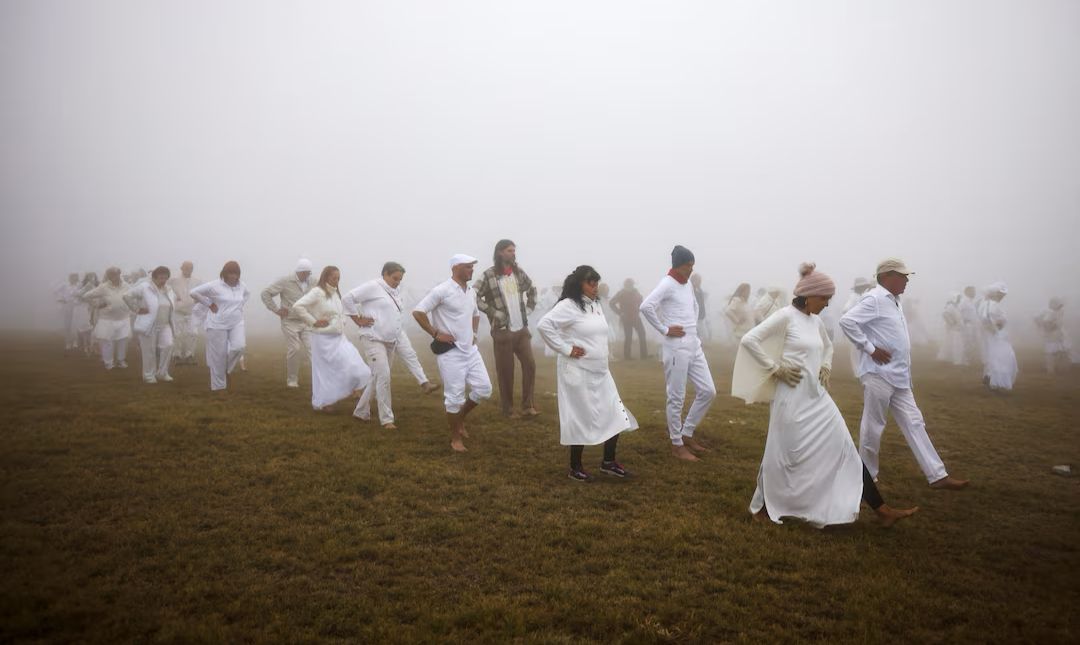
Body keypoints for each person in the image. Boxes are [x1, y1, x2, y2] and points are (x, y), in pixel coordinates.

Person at [734, 263, 918, 528]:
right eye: (825, 299)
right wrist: (776, 369)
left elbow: (828, 346)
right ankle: (762, 508)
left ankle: (883, 511)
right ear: (809, 296)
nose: (828, 304)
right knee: (782, 453)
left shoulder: (815, 320)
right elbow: (749, 340)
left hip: (817, 398)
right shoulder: (785, 316)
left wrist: (826, 366)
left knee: (845, 449)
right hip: (791, 399)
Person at [839, 258, 969, 490]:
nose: (907, 280)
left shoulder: (894, 301)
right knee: (874, 425)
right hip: (878, 374)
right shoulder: (875, 298)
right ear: (887, 277)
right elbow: (847, 321)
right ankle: (867, 476)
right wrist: (870, 349)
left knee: (915, 422)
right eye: (902, 276)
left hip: (899, 376)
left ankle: (937, 475)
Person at [538, 265, 638, 482]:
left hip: (600, 371)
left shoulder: (595, 305)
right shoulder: (568, 305)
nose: (595, 287)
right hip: (577, 371)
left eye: (596, 283)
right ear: (578, 284)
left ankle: (608, 462)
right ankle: (575, 467)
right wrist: (566, 349)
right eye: (590, 283)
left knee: (615, 412)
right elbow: (544, 325)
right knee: (579, 416)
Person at [640, 245, 716, 462]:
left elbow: (694, 306)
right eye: (687, 266)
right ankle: (676, 444)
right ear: (678, 265)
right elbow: (646, 307)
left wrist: (692, 328)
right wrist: (665, 329)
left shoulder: (688, 283)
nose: (691, 269)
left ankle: (687, 432)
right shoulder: (667, 284)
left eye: (692, 265)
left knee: (708, 391)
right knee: (676, 396)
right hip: (676, 346)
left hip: (693, 343)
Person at [343, 261, 440, 429]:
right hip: (373, 337)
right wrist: (357, 319)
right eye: (395, 278)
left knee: (378, 376)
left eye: (400, 279)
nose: (397, 282)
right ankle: (387, 419)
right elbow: (348, 298)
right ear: (385, 274)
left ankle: (360, 412)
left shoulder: (395, 291)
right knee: (384, 376)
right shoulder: (373, 286)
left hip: (392, 337)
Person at [412, 254, 493, 452]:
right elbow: (418, 312)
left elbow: (475, 314)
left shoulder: (471, 292)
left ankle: (460, 418)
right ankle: (455, 438)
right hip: (450, 353)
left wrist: (473, 333)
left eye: (472, 267)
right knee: (454, 396)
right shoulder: (442, 290)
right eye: (468, 267)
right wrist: (435, 333)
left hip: (470, 350)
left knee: (484, 389)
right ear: (456, 268)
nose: (472, 270)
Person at [292, 266, 372, 411]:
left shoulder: (335, 294)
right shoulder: (317, 292)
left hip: (339, 337)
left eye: (338, 278)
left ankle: (353, 389)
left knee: (355, 364)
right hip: (322, 338)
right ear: (325, 277)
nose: (336, 281)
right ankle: (325, 401)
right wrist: (313, 321)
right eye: (333, 278)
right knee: (324, 371)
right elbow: (298, 306)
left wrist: (350, 320)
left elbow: (340, 314)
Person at [474, 240, 539, 418]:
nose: (513, 253)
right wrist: (493, 312)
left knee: (530, 365)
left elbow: (532, 289)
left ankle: (527, 406)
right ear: (500, 253)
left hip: (521, 330)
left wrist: (530, 308)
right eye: (510, 250)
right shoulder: (488, 275)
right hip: (502, 331)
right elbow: (474, 296)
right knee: (505, 371)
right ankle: (508, 409)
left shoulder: (518, 273)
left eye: (514, 250)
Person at [190, 261, 250, 391]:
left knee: (239, 347)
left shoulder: (242, 286)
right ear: (225, 273)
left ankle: (226, 370)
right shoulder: (214, 285)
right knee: (219, 356)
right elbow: (193, 292)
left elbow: (247, 295)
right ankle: (218, 387)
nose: (233, 276)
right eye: (230, 273)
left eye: (235, 273)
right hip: (217, 324)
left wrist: (239, 307)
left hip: (237, 322)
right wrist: (209, 304)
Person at [261, 259, 314, 388]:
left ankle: (319, 380)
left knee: (313, 349)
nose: (307, 276)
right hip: (289, 322)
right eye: (304, 273)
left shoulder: (313, 281)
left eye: (309, 273)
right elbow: (265, 293)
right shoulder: (285, 281)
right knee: (295, 349)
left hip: (307, 321)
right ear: (298, 271)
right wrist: (276, 310)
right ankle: (292, 380)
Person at [126, 266, 176, 384]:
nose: (163, 280)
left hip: (165, 324)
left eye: (165, 277)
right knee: (149, 350)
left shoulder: (169, 289)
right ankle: (148, 375)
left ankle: (162, 373)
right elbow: (127, 296)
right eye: (160, 277)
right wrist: (137, 309)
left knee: (169, 345)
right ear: (154, 277)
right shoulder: (144, 287)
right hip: (149, 324)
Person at [83, 267, 133, 370]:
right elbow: (86, 296)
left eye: (116, 274)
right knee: (107, 341)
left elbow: (133, 297)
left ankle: (120, 360)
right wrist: (97, 304)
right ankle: (108, 362)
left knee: (123, 340)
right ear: (108, 276)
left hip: (123, 318)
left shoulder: (127, 286)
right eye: (111, 275)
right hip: (107, 319)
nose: (114, 277)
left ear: (120, 274)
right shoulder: (103, 287)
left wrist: (130, 307)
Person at [978, 282, 1018, 391]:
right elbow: (987, 320)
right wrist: (996, 331)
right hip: (996, 336)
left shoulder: (986, 303)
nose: (1002, 297)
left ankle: (990, 377)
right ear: (994, 294)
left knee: (994, 357)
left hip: (994, 335)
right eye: (1000, 294)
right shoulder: (991, 304)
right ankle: (997, 382)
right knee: (1003, 357)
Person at [167, 261, 203, 366]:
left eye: (190, 268)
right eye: (186, 267)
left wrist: (198, 300)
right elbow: (164, 288)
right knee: (177, 334)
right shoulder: (173, 280)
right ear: (181, 268)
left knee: (193, 333)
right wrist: (173, 298)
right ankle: (176, 355)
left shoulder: (197, 281)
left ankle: (189, 355)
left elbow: (201, 293)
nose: (188, 270)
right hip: (177, 312)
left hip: (192, 312)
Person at [609, 278, 649, 360]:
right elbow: (611, 303)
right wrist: (620, 313)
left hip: (635, 317)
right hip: (626, 318)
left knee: (642, 334)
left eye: (631, 284)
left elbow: (641, 302)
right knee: (629, 336)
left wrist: (639, 308)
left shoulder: (636, 292)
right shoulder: (621, 293)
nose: (631, 285)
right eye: (629, 284)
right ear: (626, 285)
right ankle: (627, 356)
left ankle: (644, 355)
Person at [1035, 297, 1077, 374]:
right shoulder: (1051, 313)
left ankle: (1056, 369)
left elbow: (1046, 324)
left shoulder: (1056, 313)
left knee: (1057, 353)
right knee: (1054, 353)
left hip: (1057, 336)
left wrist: (1047, 326)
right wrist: (1046, 326)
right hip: (1054, 336)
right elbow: (1043, 323)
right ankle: (1052, 369)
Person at [71, 272, 99, 356]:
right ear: (86, 278)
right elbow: (76, 294)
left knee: (94, 329)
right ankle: (87, 347)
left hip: (95, 310)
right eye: (90, 277)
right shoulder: (84, 286)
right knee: (87, 329)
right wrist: (85, 299)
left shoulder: (98, 286)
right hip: (85, 310)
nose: (92, 279)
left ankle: (91, 347)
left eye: (93, 277)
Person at [937, 293, 966, 365]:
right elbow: (945, 314)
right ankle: (957, 360)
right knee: (956, 345)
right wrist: (952, 322)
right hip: (954, 330)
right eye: (958, 298)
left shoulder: (955, 306)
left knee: (954, 344)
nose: (960, 299)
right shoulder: (951, 306)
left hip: (956, 328)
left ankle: (954, 359)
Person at [56, 273, 81, 351]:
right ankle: (68, 343)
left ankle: (75, 341)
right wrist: (61, 298)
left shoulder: (79, 286)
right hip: (67, 306)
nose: (74, 279)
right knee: (67, 325)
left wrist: (78, 301)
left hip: (76, 306)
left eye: (75, 277)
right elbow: (56, 291)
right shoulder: (65, 285)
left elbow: (83, 295)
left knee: (75, 324)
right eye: (72, 277)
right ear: (70, 278)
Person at [959, 286, 982, 366]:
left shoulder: (971, 302)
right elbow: (959, 313)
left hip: (974, 325)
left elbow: (974, 314)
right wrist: (963, 323)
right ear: (967, 292)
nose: (974, 293)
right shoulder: (963, 302)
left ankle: (971, 358)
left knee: (974, 342)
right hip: (967, 325)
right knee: (967, 343)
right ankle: (965, 360)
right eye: (973, 291)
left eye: (974, 291)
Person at [691, 274, 712, 343]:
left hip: (701, 317)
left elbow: (702, 303)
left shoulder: (699, 290)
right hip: (693, 317)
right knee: (697, 335)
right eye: (698, 281)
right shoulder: (690, 291)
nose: (700, 283)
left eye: (700, 281)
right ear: (693, 281)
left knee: (702, 336)